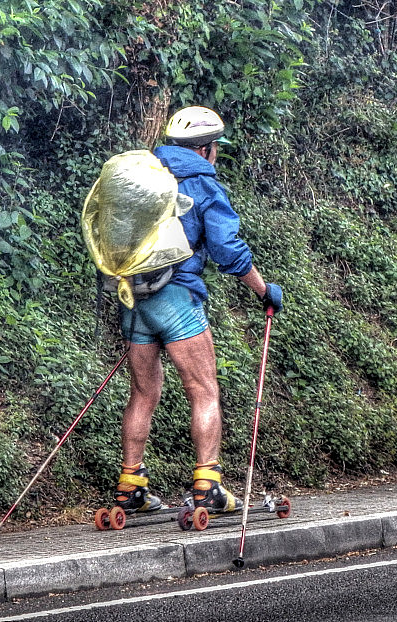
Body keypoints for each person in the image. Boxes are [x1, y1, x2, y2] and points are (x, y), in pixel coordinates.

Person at [113, 105, 283, 515]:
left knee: (143, 392)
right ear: (205, 148)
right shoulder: (203, 182)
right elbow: (228, 250)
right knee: (204, 390)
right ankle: (208, 484)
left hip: (132, 293)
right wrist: (264, 291)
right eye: (217, 148)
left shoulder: (144, 172)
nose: (217, 155)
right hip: (177, 296)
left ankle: (129, 485)